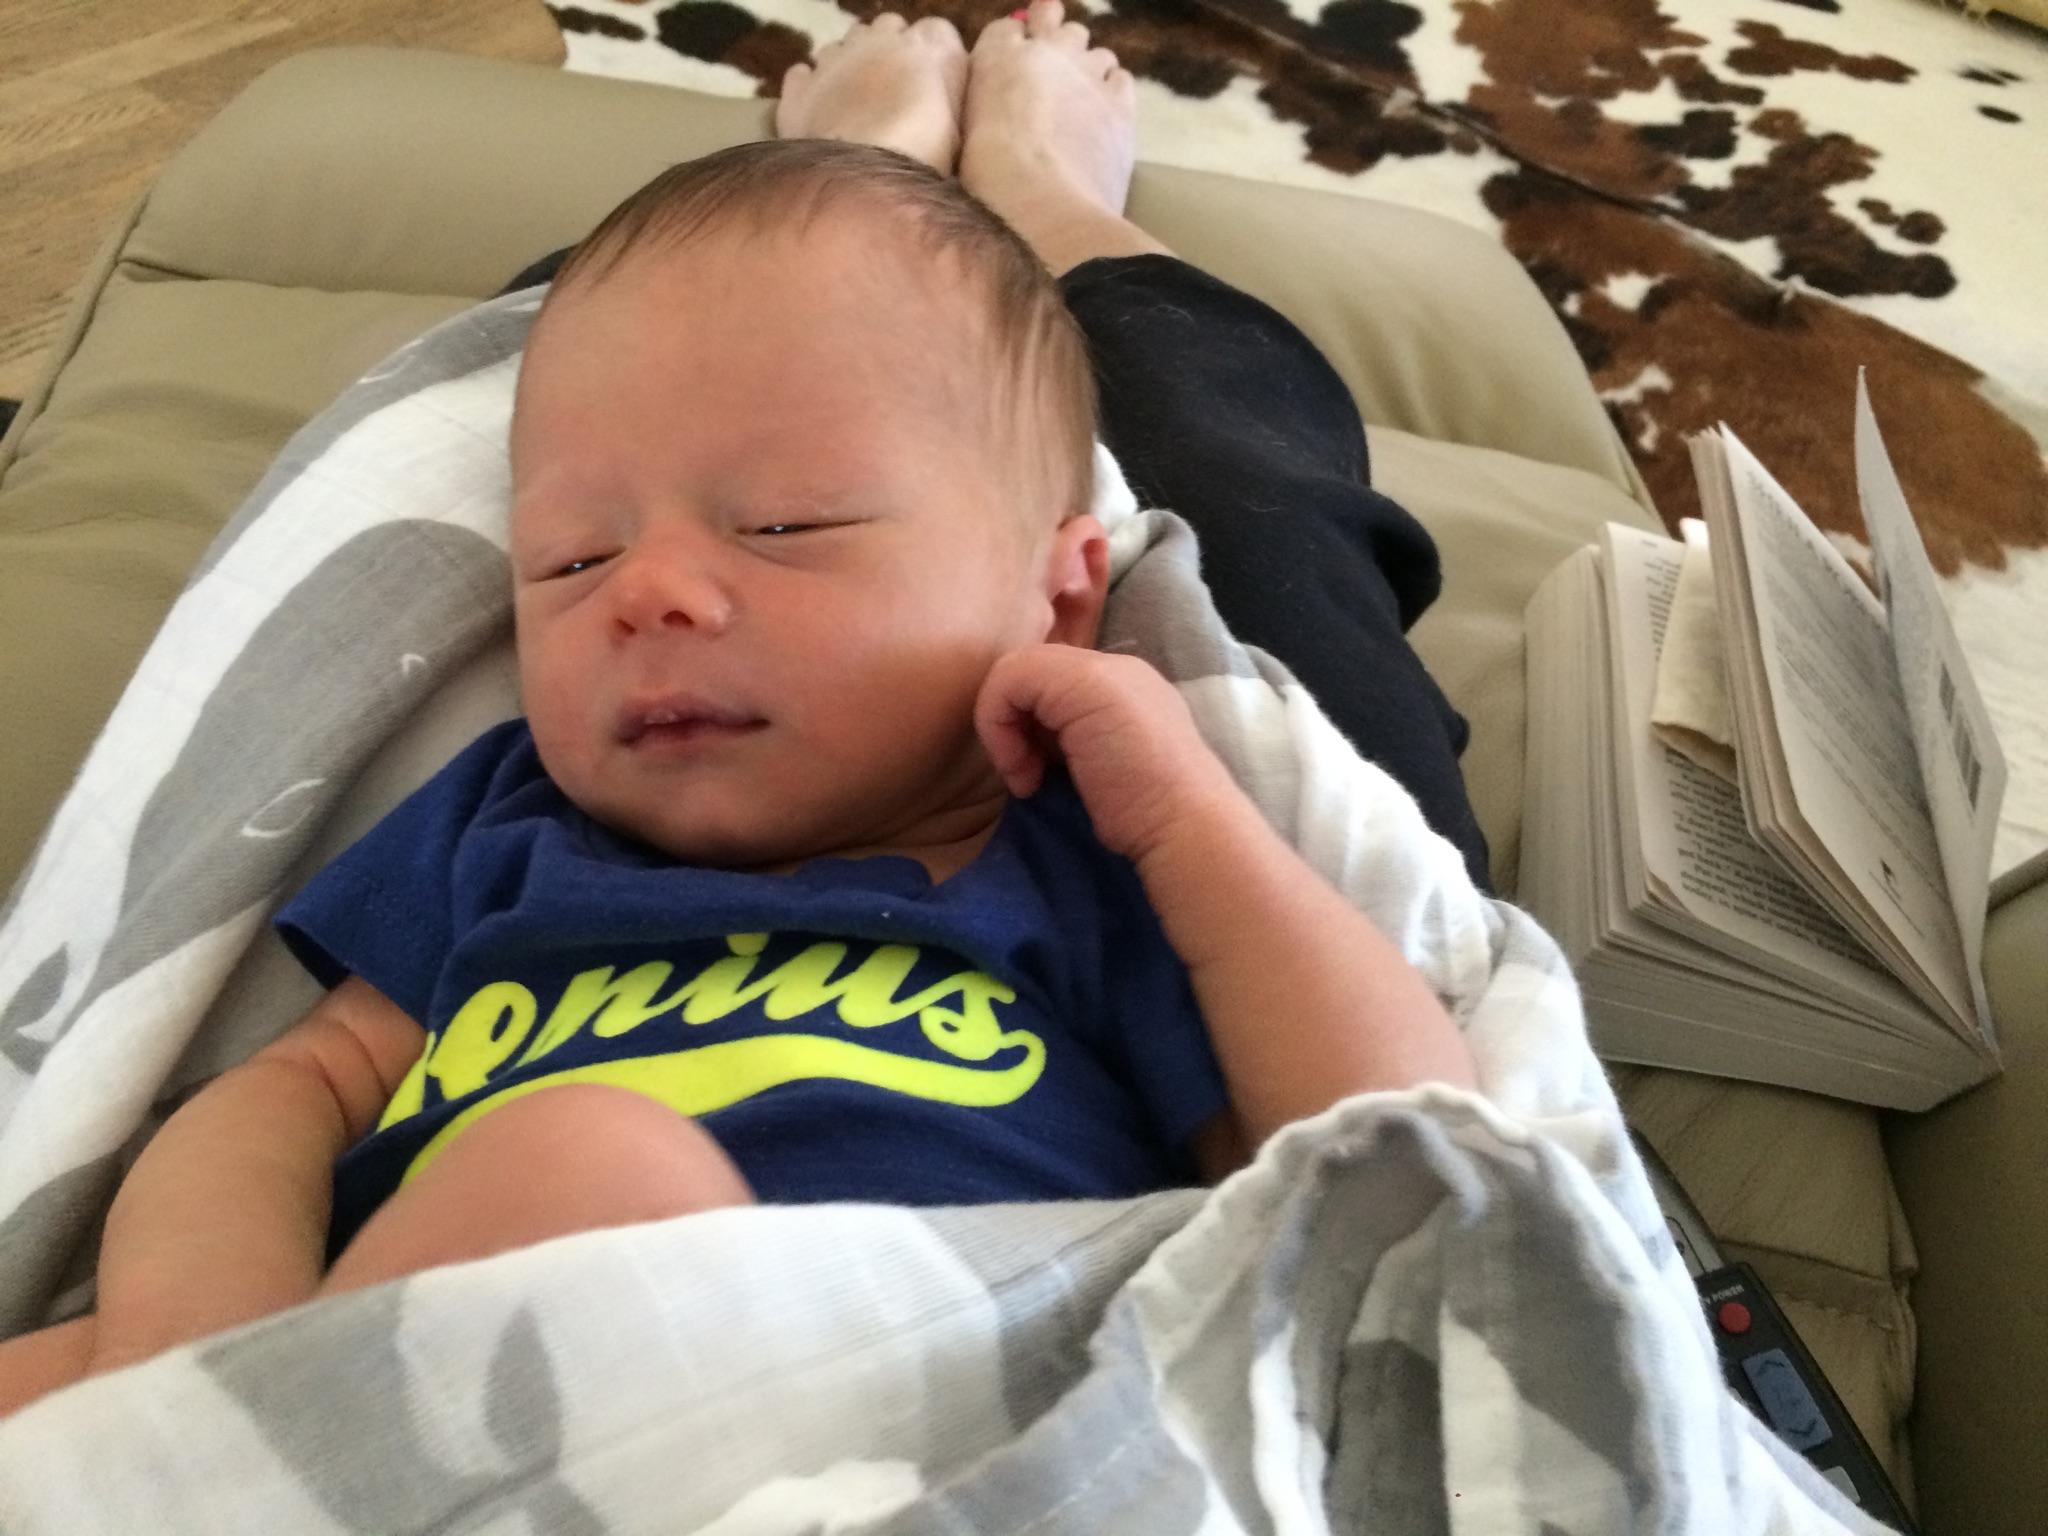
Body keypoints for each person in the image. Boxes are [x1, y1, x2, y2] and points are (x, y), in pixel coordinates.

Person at [0, 1, 1481, 1418]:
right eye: (569, 559)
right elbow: (290, 1088)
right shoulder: (504, 824)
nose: (643, 592)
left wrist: (1191, 812)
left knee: (590, 1173)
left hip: (916, 1413)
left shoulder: (1095, 851)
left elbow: (1399, 1172)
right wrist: (190, 1353)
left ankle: (979, 183)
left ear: (1059, 598)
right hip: (396, 1385)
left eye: (784, 525)